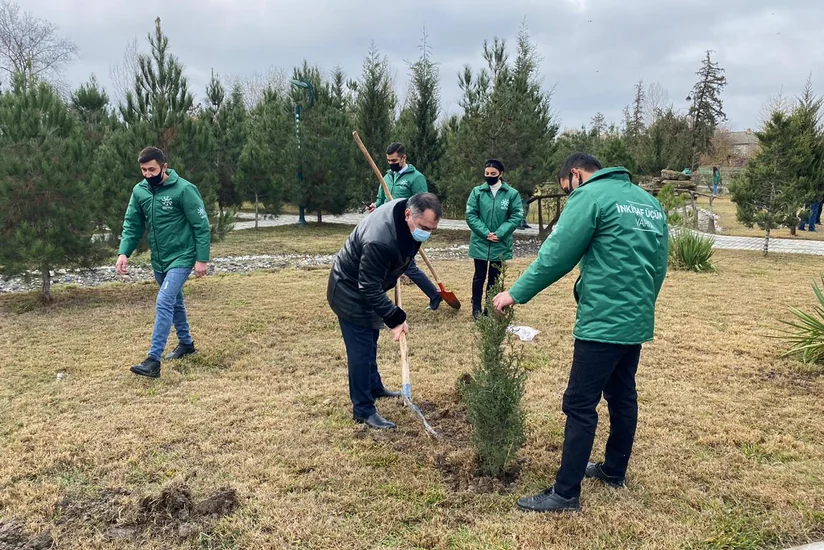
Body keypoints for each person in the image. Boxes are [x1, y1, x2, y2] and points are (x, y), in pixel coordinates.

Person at [493, 153, 668, 513]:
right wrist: (641, 304)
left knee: (579, 403)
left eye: (566, 188)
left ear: (575, 174)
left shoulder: (589, 196)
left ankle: (565, 493)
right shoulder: (648, 202)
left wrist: (515, 293)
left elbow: (556, 254)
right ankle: (614, 470)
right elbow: (659, 264)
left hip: (602, 320)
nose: (568, 193)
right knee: (622, 394)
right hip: (635, 318)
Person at [329, 193, 443, 429]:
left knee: (370, 339)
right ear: (408, 214)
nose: (426, 234)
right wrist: (396, 318)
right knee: (361, 351)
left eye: (431, 230)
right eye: (424, 228)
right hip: (349, 290)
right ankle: (363, 409)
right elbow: (368, 286)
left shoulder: (405, 211)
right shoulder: (380, 240)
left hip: (369, 285)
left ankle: (374, 386)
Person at [116, 147, 211, 378]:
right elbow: (132, 224)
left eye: (152, 169)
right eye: (143, 170)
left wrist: (202, 258)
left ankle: (153, 360)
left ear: (164, 167)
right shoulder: (139, 191)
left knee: (165, 300)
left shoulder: (184, 189)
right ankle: (186, 344)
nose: (147, 174)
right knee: (175, 301)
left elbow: (201, 225)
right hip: (159, 259)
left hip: (182, 256)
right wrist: (123, 252)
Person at [368, 143, 442, 310]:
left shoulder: (416, 178)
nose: (391, 164)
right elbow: (381, 200)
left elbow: (424, 204)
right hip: (387, 227)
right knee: (393, 265)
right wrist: (375, 206)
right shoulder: (386, 177)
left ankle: (434, 295)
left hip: (407, 229)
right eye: (388, 161)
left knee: (406, 266)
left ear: (403, 158)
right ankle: (433, 295)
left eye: (394, 160)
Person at [465, 159, 524, 320]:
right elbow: (471, 215)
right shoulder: (477, 192)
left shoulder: (511, 194)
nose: (489, 176)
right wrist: (485, 233)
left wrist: (499, 233)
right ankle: (476, 307)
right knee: (479, 276)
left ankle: (490, 307)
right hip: (481, 241)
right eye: (487, 173)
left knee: (494, 277)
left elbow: (516, 216)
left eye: (493, 173)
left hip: (500, 242)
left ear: (500, 174)